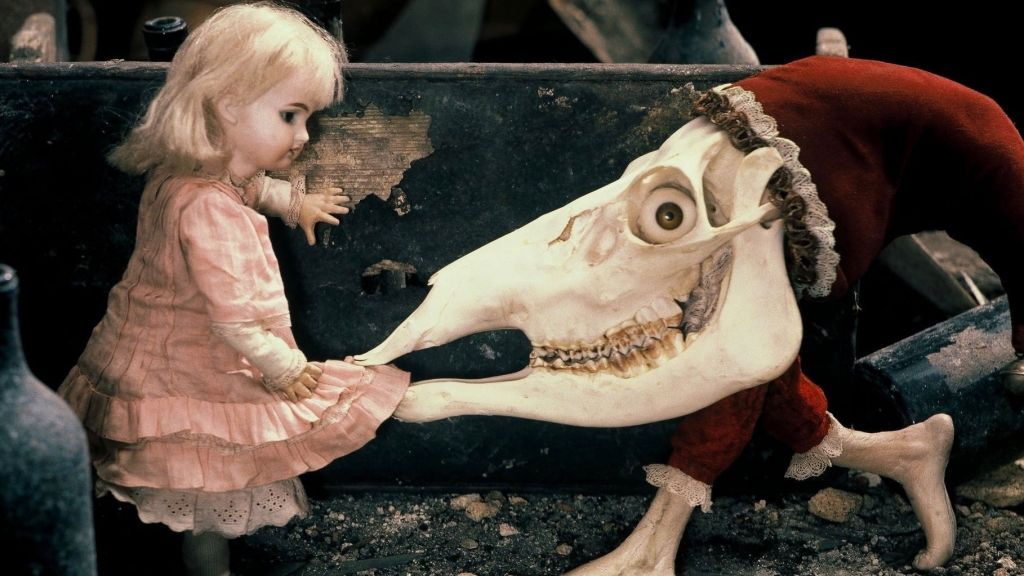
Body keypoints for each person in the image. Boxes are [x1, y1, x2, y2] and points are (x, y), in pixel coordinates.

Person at [56, 4, 409, 576]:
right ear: (228, 105)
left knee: (196, 479)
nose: (302, 136)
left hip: (145, 349)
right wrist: (284, 369)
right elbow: (235, 320)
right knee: (207, 484)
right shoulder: (210, 212)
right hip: (191, 367)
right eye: (290, 116)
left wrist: (292, 202)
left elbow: (247, 186)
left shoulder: (185, 174)